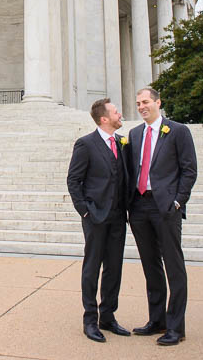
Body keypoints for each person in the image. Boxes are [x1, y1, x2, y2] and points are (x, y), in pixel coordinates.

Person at [126, 87, 197, 346]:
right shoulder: (134, 135)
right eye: (138, 103)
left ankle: (176, 327)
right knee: (150, 265)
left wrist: (178, 201)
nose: (141, 106)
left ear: (158, 102)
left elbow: (189, 170)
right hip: (139, 206)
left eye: (145, 102)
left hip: (166, 206)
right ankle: (157, 320)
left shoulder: (178, 131)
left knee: (174, 266)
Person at [67, 98, 133, 343]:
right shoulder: (86, 144)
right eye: (116, 111)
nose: (120, 114)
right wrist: (85, 211)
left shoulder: (121, 143)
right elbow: (74, 180)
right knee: (92, 268)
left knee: (114, 267)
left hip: (118, 216)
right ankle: (90, 319)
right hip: (95, 216)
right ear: (104, 118)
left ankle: (108, 316)